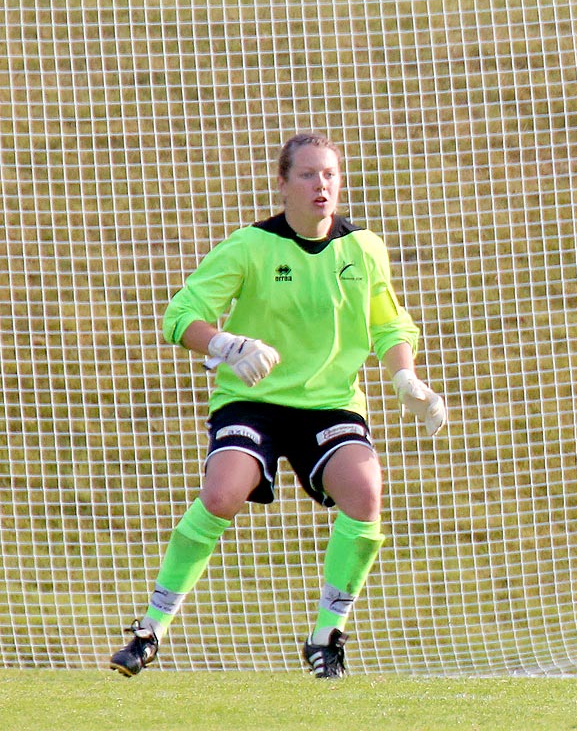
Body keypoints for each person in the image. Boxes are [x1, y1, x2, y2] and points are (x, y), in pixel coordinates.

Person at [108, 132, 448, 679]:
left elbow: (389, 324)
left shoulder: (363, 249)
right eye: (309, 174)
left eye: (331, 174)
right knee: (221, 494)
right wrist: (225, 346)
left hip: (329, 403)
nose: (322, 185)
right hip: (252, 400)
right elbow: (180, 316)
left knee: (365, 492)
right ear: (282, 183)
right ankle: (150, 630)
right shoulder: (249, 246)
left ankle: (326, 636)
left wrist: (406, 377)